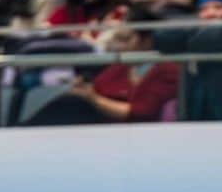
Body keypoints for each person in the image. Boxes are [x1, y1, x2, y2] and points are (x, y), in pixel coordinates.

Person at [29, 6, 179, 123]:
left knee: (74, 104)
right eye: (118, 40)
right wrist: (83, 89)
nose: (120, 47)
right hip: (97, 128)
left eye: (125, 40)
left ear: (147, 41)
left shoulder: (166, 70)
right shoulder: (120, 67)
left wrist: (93, 99)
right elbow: (96, 89)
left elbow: (141, 113)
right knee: (71, 101)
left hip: (131, 133)